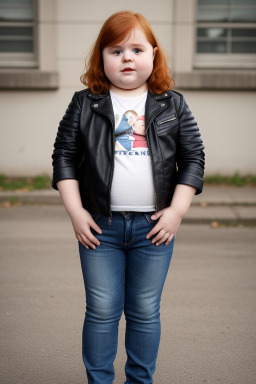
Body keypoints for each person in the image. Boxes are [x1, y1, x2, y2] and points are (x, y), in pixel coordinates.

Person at [51, 10, 205, 384]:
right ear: (101, 58)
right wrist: (75, 211)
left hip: (153, 228)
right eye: (115, 50)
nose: (127, 58)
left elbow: (193, 158)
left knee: (144, 311)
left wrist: (176, 212)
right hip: (99, 227)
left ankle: (140, 380)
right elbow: (65, 156)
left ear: (153, 55)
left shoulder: (173, 104)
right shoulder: (85, 103)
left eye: (136, 49)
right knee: (102, 310)